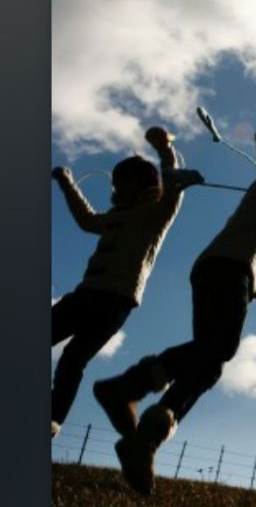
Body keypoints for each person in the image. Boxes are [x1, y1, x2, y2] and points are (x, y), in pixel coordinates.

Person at [95, 112, 256, 494]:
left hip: (223, 270)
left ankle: (147, 438)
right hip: (227, 266)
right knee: (221, 348)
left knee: (208, 364)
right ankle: (127, 387)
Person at [51, 126, 204, 435]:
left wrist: (164, 149)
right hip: (85, 295)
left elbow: (172, 181)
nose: (118, 186)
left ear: (143, 183)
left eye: (124, 180)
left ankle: (52, 420)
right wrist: (67, 184)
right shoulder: (115, 217)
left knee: (73, 359)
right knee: (67, 355)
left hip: (115, 302)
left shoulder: (157, 212)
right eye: (117, 181)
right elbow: (86, 220)